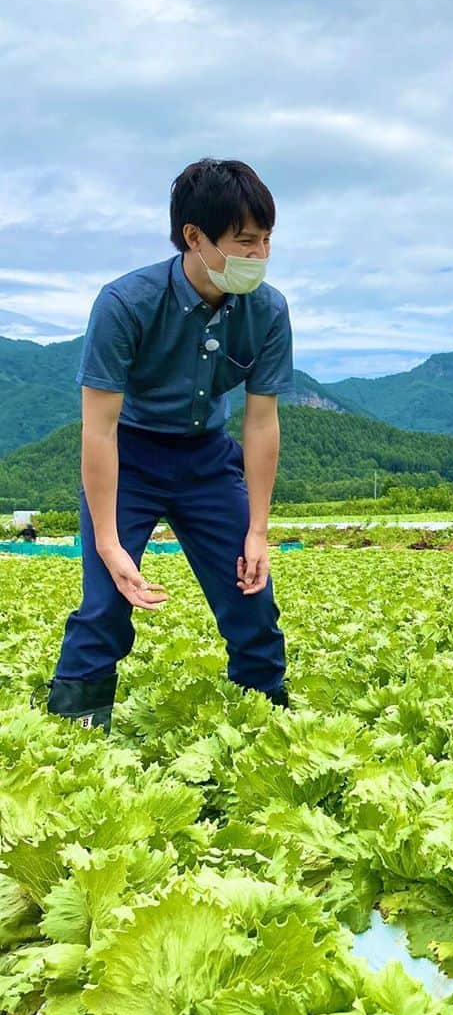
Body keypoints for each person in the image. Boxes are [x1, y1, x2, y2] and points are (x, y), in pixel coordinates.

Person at [40, 159, 293, 732]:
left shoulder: (269, 309)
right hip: (130, 455)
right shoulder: (125, 304)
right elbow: (98, 429)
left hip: (208, 458)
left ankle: (270, 731)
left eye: (267, 240)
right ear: (194, 237)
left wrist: (258, 529)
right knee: (106, 602)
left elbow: (260, 423)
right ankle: (71, 741)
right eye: (245, 241)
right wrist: (107, 540)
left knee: (250, 594)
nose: (259, 255)